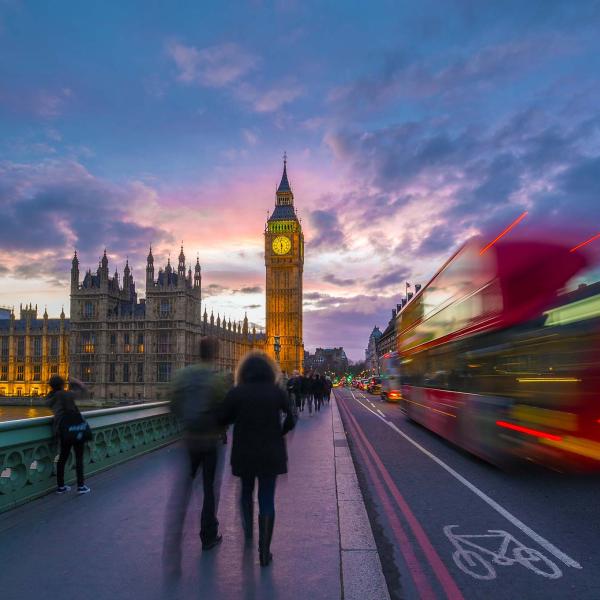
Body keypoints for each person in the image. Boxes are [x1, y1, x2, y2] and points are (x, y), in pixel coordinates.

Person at [221, 351, 296, 566]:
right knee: (266, 498)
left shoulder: (237, 392)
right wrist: (280, 432)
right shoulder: (276, 391)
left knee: (245, 492)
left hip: (244, 453)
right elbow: (291, 418)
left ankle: (248, 533)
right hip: (271, 453)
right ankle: (264, 552)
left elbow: (222, 417)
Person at [164, 336, 228, 567]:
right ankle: (208, 536)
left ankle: (173, 541)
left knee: (183, 491)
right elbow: (225, 409)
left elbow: (172, 404)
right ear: (215, 354)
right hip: (211, 442)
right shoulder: (217, 379)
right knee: (210, 491)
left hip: (189, 440)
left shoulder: (182, 375)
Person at [45, 374, 91, 495]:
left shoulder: (50, 397)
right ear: (61, 384)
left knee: (62, 458)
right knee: (79, 457)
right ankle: (81, 486)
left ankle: (61, 486)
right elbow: (83, 393)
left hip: (61, 429)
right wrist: (78, 382)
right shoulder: (65, 394)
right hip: (74, 428)